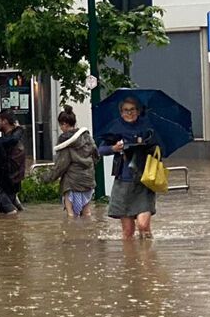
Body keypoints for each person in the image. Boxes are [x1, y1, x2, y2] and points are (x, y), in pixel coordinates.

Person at [98, 96, 160, 239]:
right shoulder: (114, 129)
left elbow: (158, 149)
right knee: (127, 231)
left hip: (144, 181)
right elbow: (100, 150)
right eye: (126, 110)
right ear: (121, 113)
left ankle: (148, 258)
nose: (129, 113)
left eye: (132, 110)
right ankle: (130, 260)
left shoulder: (147, 128)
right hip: (123, 182)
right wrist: (114, 148)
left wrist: (146, 144)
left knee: (143, 226)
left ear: (138, 111)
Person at [41, 107, 98, 218]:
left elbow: (61, 165)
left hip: (72, 183)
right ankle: (89, 234)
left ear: (64, 124)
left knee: (71, 215)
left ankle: (72, 234)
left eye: (61, 125)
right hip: (88, 180)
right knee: (87, 213)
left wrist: (47, 178)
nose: (61, 128)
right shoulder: (87, 137)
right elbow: (96, 156)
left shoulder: (65, 141)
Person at [0, 110, 27, 214]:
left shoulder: (10, 140)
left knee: (8, 211)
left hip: (8, 181)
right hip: (14, 181)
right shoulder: (14, 137)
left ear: (5, 121)